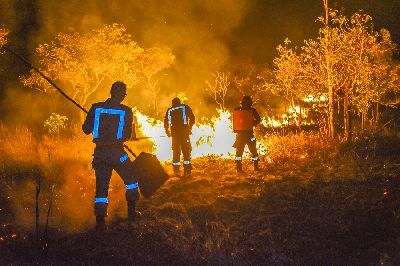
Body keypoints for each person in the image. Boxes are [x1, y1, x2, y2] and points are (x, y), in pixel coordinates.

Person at [82, 81, 139, 231]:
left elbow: (85, 130)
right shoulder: (126, 111)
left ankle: (100, 223)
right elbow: (126, 135)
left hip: (100, 154)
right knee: (132, 180)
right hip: (118, 154)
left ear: (111, 92)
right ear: (122, 95)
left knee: (101, 190)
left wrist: (93, 119)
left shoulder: (96, 108)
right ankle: (132, 215)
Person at [164, 97, 195, 176]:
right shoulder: (185, 107)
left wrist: (167, 132)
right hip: (184, 133)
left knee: (176, 151)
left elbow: (166, 123)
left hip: (174, 135)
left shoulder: (169, 110)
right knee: (186, 150)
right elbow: (192, 118)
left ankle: (176, 170)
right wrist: (190, 127)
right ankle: (187, 169)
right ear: (179, 102)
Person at [232, 95, 261, 172]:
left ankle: (239, 167)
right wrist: (253, 123)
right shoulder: (251, 110)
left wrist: (252, 123)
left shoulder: (238, 110)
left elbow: (258, 119)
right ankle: (254, 167)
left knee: (240, 152)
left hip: (242, 135)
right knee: (252, 151)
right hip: (248, 135)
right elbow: (259, 119)